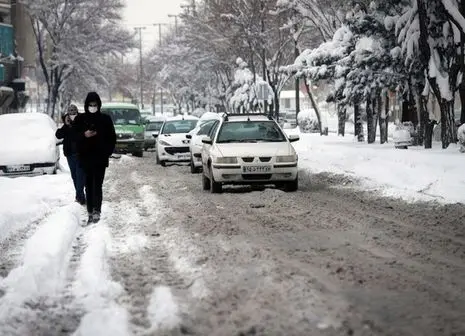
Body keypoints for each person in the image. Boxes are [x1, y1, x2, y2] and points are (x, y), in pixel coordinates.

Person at [74, 92, 116, 224]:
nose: (93, 107)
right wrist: (84, 135)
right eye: (90, 105)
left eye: (95, 105)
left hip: (100, 158)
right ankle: (90, 211)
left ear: (99, 105)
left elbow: (112, 138)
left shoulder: (105, 119)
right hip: (85, 158)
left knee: (97, 184)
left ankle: (97, 210)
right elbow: (74, 138)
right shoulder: (80, 120)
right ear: (86, 105)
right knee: (88, 185)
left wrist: (107, 152)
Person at [55, 104, 86, 205]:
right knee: (74, 176)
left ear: (77, 113)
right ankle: (81, 196)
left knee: (80, 175)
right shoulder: (66, 124)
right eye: (70, 113)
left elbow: (80, 134)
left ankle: (78, 197)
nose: (72, 114)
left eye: (74, 113)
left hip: (81, 153)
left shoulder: (82, 122)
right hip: (70, 154)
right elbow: (58, 135)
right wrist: (65, 125)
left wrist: (71, 126)